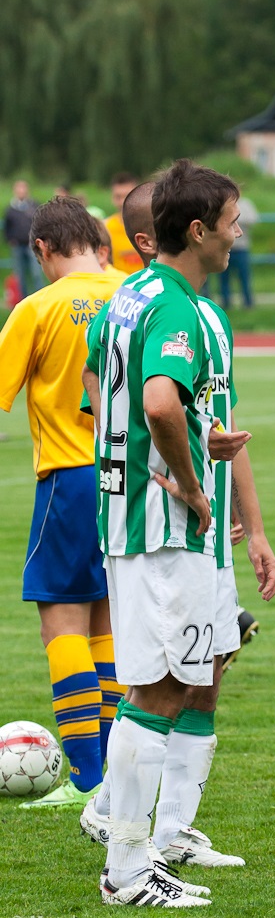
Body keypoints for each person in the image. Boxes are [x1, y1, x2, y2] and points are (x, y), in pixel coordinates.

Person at [84, 160, 275, 907]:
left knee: (176, 681)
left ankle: (149, 848)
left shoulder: (127, 297)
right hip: (167, 528)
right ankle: (128, 870)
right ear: (197, 231)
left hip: (131, 520)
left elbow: (102, 390)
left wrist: (182, 442)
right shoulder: (175, 308)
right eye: (232, 223)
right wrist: (191, 483)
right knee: (163, 689)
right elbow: (161, 402)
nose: (239, 235)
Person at [0, 197, 127, 809]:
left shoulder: (37, 307)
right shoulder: (134, 294)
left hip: (70, 478)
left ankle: (87, 779)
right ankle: (114, 775)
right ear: (98, 242)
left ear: (42, 249)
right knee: (105, 620)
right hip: (133, 476)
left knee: (62, 621)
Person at [4, 179, 41, 298]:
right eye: (19, 188)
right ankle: (23, 300)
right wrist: (10, 239)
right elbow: (7, 227)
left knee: (36, 273)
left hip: (32, 245)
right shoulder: (10, 209)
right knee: (20, 275)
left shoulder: (34, 205)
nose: (21, 191)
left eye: (23, 188)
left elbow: (40, 223)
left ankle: (40, 298)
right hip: (17, 245)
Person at [220, 195, 257, 309]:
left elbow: (253, 219)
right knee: (224, 278)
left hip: (241, 248)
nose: (238, 231)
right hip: (224, 248)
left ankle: (248, 303)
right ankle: (226, 303)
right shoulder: (221, 203)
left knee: (244, 277)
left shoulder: (245, 204)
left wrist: (231, 219)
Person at [104, 172, 141, 275]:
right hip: (118, 284)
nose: (122, 202)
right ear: (112, 198)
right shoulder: (106, 228)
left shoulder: (151, 226)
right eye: (118, 197)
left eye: (127, 196)